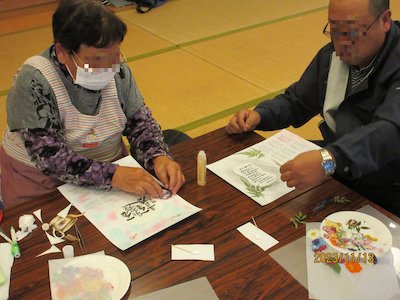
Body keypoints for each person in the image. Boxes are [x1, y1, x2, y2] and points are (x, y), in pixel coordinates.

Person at [0, 0, 187, 209]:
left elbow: (140, 123)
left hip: (113, 171)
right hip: (43, 182)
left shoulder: (118, 71)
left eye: (115, 55)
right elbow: (50, 157)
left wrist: (158, 157)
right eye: (96, 60)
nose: (109, 68)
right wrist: (113, 176)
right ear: (62, 52)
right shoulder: (34, 80)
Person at [226, 0, 400, 215]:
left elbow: (390, 131)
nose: (342, 42)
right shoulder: (333, 55)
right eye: (335, 30)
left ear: (384, 20)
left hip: (389, 179)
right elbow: (297, 100)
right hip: (338, 159)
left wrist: (329, 160)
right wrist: (260, 115)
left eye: (353, 31)